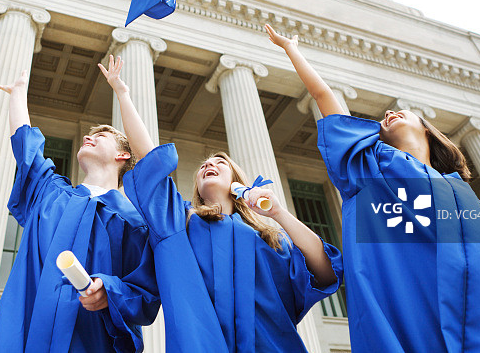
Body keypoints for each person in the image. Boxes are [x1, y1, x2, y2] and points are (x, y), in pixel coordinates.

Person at [266, 23, 480, 352]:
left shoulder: (458, 190)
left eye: (400, 112)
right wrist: (292, 50)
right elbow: (324, 97)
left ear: (429, 131)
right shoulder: (369, 164)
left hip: (469, 300)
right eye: (385, 117)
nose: (389, 113)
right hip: (405, 299)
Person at [99, 55, 343, 353]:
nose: (208, 165)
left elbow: (324, 270)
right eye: (203, 166)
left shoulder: (268, 240)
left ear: (236, 182)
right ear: (197, 186)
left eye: (219, 164)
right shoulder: (179, 224)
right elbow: (150, 159)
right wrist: (123, 94)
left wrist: (278, 213)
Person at [0, 70, 160, 353]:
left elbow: (146, 291)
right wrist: (17, 96)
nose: (89, 138)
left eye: (100, 136)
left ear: (122, 155)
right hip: (27, 332)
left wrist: (109, 290)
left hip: (90, 338)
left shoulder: (134, 223)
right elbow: (27, 150)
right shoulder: (50, 193)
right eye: (89, 136)